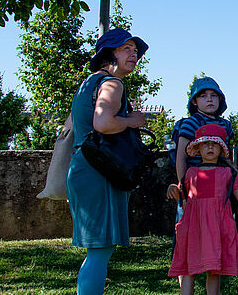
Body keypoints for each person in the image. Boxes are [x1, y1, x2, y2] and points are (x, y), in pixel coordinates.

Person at [66, 28, 148, 295]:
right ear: (109, 53)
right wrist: (133, 121)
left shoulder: (87, 84)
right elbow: (103, 123)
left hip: (83, 167)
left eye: (135, 50)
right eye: (126, 48)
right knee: (100, 250)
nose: (134, 53)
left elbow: (71, 128)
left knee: (97, 250)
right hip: (99, 170)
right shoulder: (112, 84)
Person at [167, 125, 238, 295]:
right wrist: (173, 188)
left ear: (221, 148)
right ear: (197, 148)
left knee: (214, 269)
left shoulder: (228, 173)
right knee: (189, 266)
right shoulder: (191, 172)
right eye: (205, 144)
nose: (210, 147)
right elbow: (182, 193)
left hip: (217, 226)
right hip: (194, 226)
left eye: (214, 144)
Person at [172, 76, 233, 224]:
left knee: (219, 225)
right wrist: (184, 191)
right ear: (194, 101)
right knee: (188, 225)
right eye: (203, 96)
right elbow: (181, 157)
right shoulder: (190, 123)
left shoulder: (226, 124)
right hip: (195, 182)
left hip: (219, 182)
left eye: (214, 95)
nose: (210, 100)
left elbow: (226, 156)